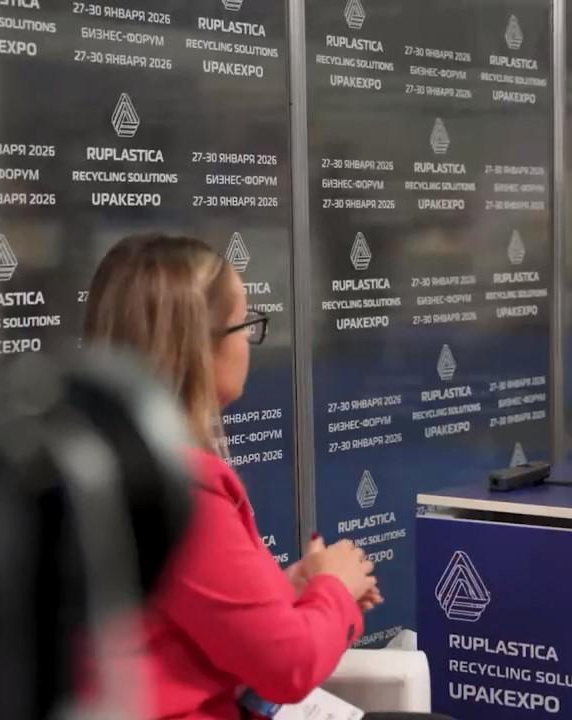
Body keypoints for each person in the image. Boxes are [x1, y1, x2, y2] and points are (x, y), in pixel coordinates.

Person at [83, 234, 389, 719]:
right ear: (198, 346)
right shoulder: (182, 491)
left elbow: (185, 620)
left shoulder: (98, 465)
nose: (249, 342)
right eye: (245, 325)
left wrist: (298, 588)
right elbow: (288, 667)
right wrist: (336, 587)